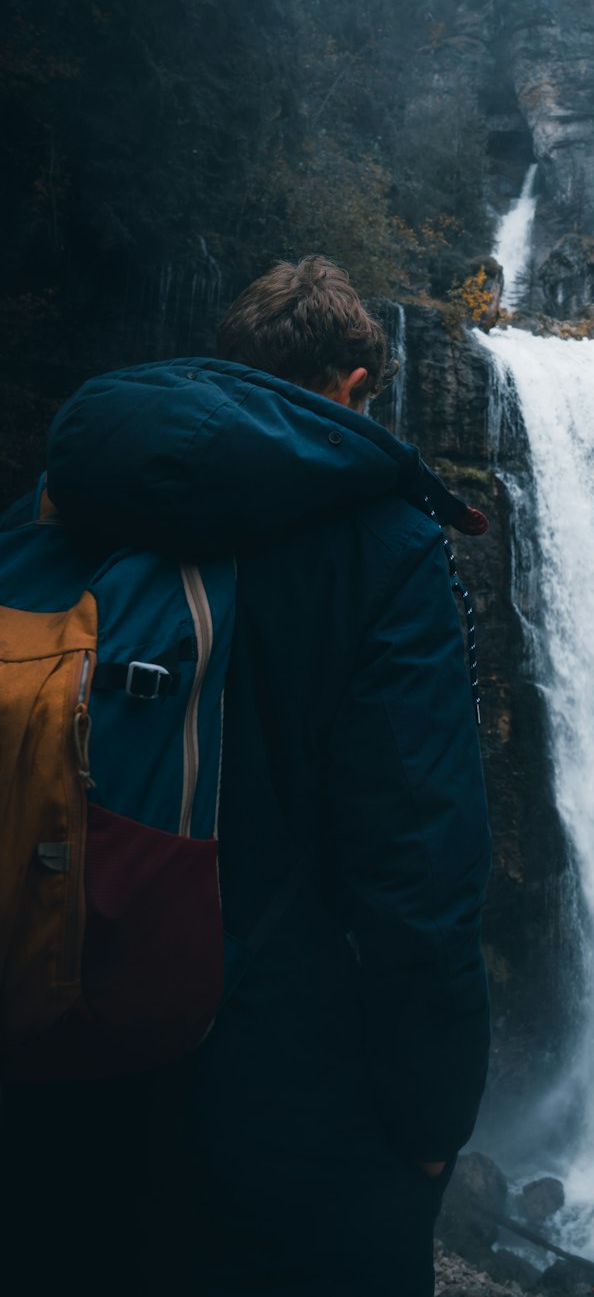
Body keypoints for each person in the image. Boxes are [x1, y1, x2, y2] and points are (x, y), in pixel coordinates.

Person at [0, 256, 492, 1297]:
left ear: (229, 362)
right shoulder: (384, 538)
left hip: (56, 1002)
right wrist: (434, 1107)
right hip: (279, 1068)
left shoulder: (62, 490)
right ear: (355, 381)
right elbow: (420, 854)